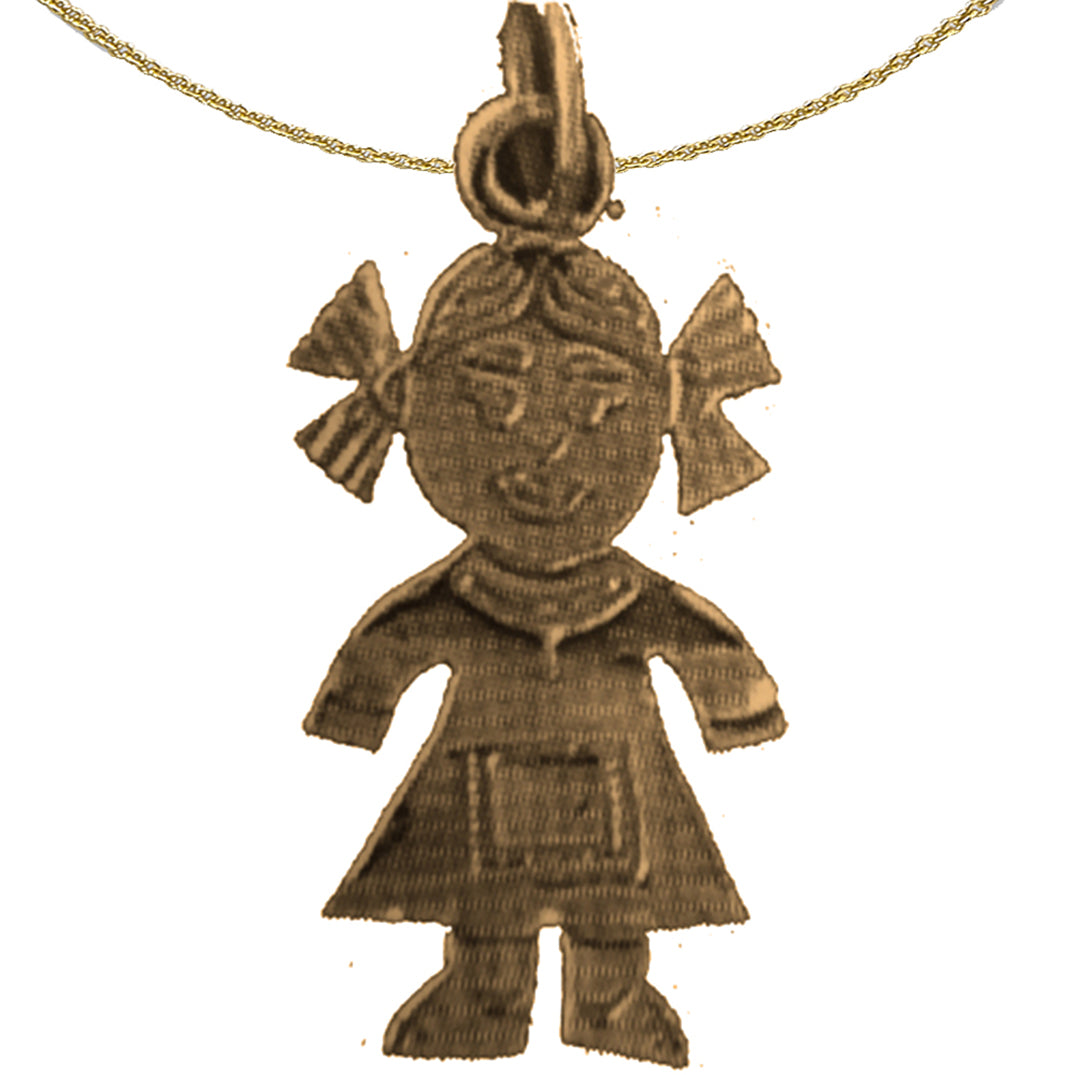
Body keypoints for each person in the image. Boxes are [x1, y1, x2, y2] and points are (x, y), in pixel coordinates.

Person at [290, 5, 785, 1066]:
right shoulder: (460, 599)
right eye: (491, 404)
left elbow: (695, 636)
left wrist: (732, 698)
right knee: (485, 900)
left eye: (599, 405)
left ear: (658, 412)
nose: (549, 447)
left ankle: (609, 1002)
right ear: (415, 410)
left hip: (613, 766)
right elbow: (394, 637)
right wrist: (358, 701)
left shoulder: (629, 601)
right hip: (490, 771)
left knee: (618, 900)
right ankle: (484, 998)